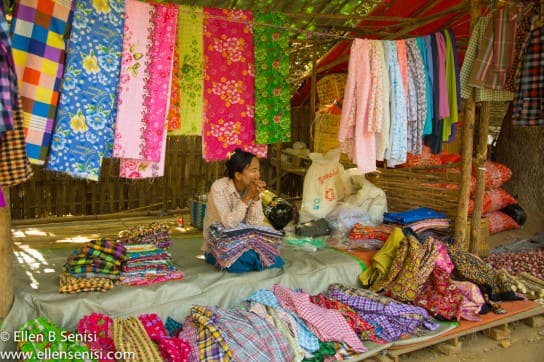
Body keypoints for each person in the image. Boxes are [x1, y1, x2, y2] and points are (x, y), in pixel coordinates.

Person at [202, 148, 284, 272]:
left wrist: (255, 197)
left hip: (245, 241)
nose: (258, 175)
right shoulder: (218, 188)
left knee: (274, 258)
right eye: (253, 170)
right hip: (220, 243)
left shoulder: (250, 188)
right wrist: (247, 198)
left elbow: (255, 224)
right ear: (238, 175)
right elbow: (229, 224)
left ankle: (253, 259)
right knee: (240, 263)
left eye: (258, 170)